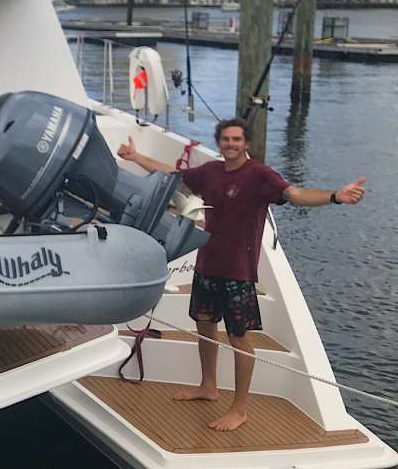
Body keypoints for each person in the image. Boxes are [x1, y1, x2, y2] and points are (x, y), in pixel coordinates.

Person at [117, 118, 364, 431]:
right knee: (204, 325)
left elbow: (296, 194)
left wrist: (334, 196)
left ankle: (240, 408)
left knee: (239, 337)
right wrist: (136, 157)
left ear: (246, 144)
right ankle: (208, 386)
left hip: (238, 272)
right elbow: (174, 176)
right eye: (225, 139)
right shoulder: (210, 172)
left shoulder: (260, 175)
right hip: (207, 263)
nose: (231, 144)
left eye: (236, 140)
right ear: (219, 143)